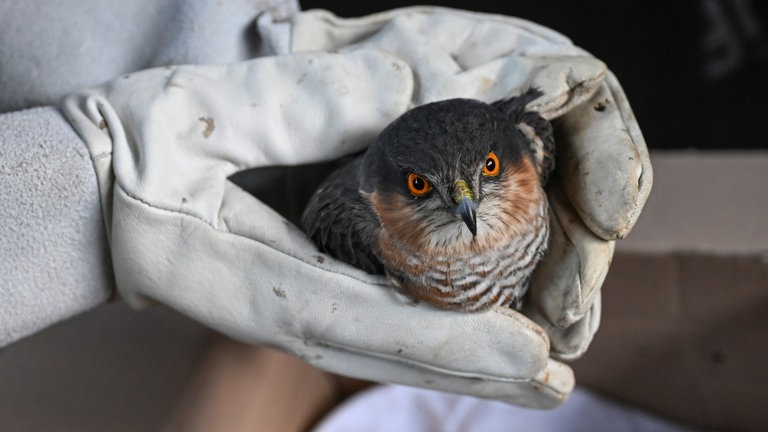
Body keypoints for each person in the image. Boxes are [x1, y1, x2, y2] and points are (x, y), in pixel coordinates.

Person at [0, 0, 657, 428]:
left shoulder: (528, 143)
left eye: (487, 171)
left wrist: (249, 50)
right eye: (423, 188)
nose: (466, 205)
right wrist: (95, 186)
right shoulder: (361, 222)